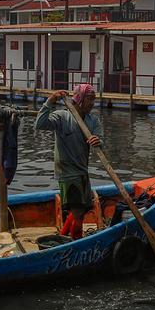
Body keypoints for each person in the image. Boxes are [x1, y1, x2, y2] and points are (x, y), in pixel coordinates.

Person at [34, 83, 103, 240]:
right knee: (78, 214)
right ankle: (75, 242)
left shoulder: (93, 121)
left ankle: (62, 237)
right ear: (79, 99)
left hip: (82, 171)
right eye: (89, 99)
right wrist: (50, 101)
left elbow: (101, 140)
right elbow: (40, 124)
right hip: (66, 172)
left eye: (94, 99)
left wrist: (97, 141)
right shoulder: (62, 117)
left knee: (82, 209)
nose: (92, 103)